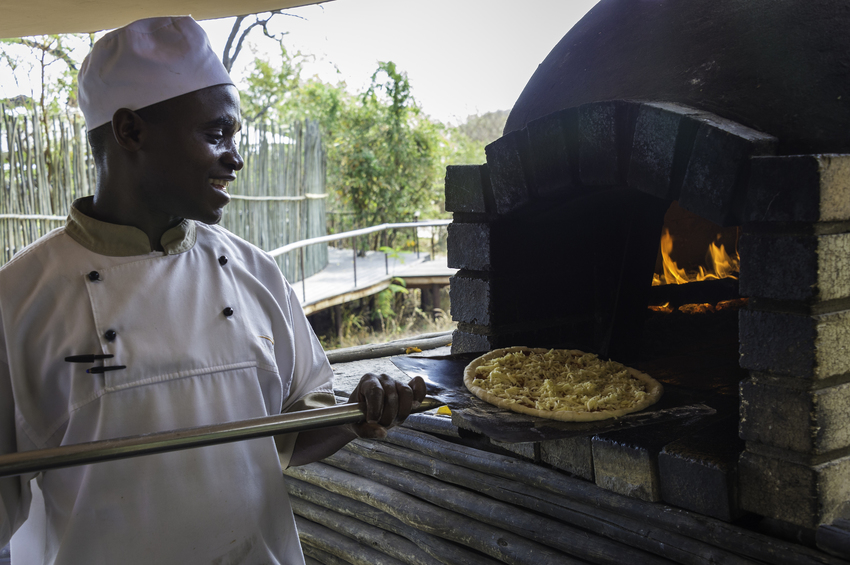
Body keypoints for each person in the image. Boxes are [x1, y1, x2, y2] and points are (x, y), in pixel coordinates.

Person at [0, 16, 425, 564]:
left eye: (235, 136)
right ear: (131, 131)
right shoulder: (21, 297)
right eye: (215, 134)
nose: (236, 158)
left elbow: (297, 424)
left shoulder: (254, 272)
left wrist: (359, 413)